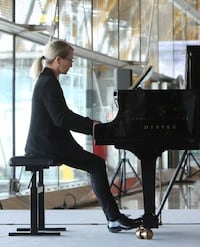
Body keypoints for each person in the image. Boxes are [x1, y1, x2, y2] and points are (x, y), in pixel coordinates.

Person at [25, 40, 141, 233]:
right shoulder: (48, 83)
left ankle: (114, 218)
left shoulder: (47, 81)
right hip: (47, 145)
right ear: (58, 59)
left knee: (95, 164)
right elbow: (62, 118)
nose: (72, 63)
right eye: (70, 59)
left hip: (51, 142)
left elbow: (62, 117)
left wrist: (92, 125)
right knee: (96, 164)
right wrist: (92, 126)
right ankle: (113, 218)